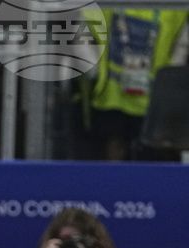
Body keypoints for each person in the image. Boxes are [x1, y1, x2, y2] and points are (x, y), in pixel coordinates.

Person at [79, 8, 188, 160]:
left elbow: (183, 37)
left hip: (157, 103)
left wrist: (173, 75)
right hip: (112, 97)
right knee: (113, 155)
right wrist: (92, 67)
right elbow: (79, 19)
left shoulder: (176, 10)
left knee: (156, 161)